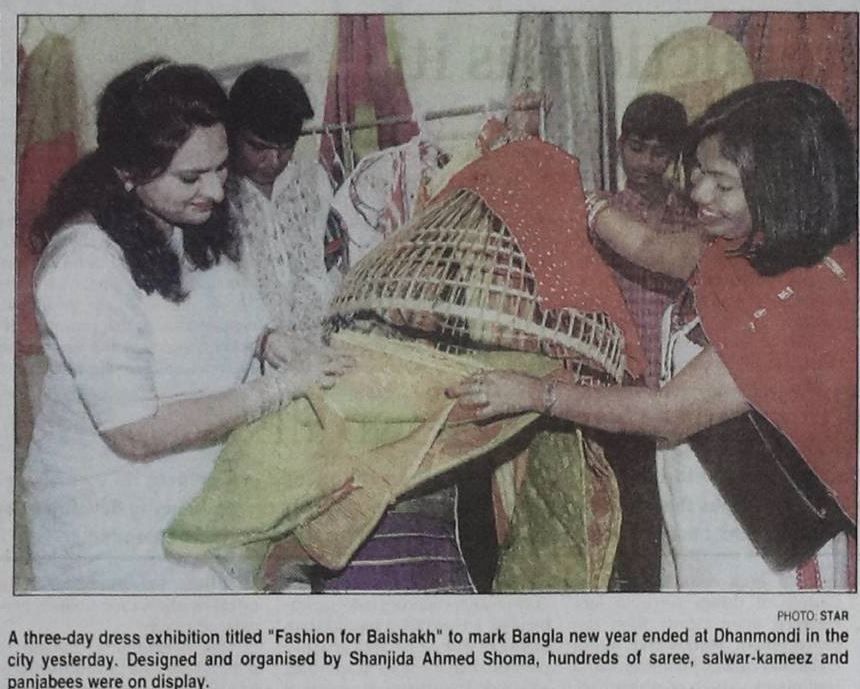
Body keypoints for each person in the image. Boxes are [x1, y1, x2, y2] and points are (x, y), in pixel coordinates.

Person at [447, 80, 857, 591]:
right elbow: (648, 246)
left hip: (764, 552)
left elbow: (669, 412)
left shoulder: (803, 296)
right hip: (701, 511)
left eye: (723, 185)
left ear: (784, 189)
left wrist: (537, 394)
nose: (699, 193)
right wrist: (569, 191)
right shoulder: (739, 247)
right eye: (699, 172)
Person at [23, 59, 347, 593]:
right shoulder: (84, 264)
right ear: (128, 171)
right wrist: (275, 390)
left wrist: (274, 344)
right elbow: (136, 432)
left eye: (221, 168)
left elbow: (230, 314)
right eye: (191, 177)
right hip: (113, 522)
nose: (215, 191)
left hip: (196, 491)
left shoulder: (185, 221)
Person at [593, 93, 695, 591]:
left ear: (676, 155)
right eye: (637, 148)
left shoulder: (694, 219)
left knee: (681, 525)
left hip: (683, 393)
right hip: (624, 393)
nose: (647, 163)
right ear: (620, 147)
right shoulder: (602, 217)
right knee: (632, 527)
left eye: (660, 152)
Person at [227, 64, 343, 364]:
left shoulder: (313, 181)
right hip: (250, 359)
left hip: (317, 346)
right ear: (233, 133)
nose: (273, 160)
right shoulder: (218, 194)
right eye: (258, 147)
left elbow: (324, 265)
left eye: (285, 148)